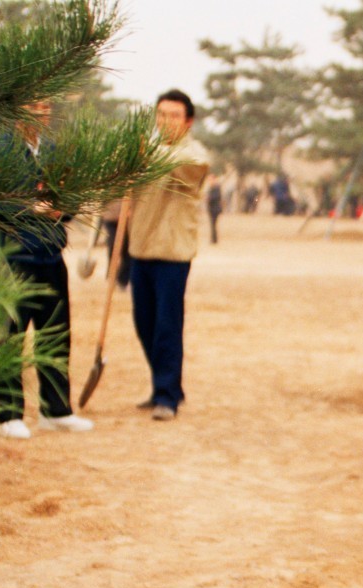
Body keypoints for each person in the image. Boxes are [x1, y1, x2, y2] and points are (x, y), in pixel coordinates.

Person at [0, 101, 94, 439]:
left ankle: (56, 409)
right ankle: (8, 413)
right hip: (14, 255)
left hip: (50, 254)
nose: (39, 112)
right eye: (31, 104)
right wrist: (32, 208)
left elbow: (70, 198)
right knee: (12, 335)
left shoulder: (52, 151)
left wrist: (63, 206)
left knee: (55, 334)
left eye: (45, 105)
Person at [128, 89, 210, 421]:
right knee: (144, 323)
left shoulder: (194, 155)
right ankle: (168, 385)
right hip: (141, 248)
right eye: (160, 115)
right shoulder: (143, 151)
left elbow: (181, 164)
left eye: (173, 116)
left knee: (166, 325)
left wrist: (142, 153)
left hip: (173, 254)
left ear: (188, 122)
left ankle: (166, 396)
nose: (165, 122)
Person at [206, 178, 223, 244]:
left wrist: (209, 198)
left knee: (213, 224)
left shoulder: (216, 188)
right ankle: (213, 239)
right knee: (213, 225)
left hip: (215, 209)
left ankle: (214, 239)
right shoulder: (212, 188)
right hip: (212, 209)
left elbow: (216, 197)